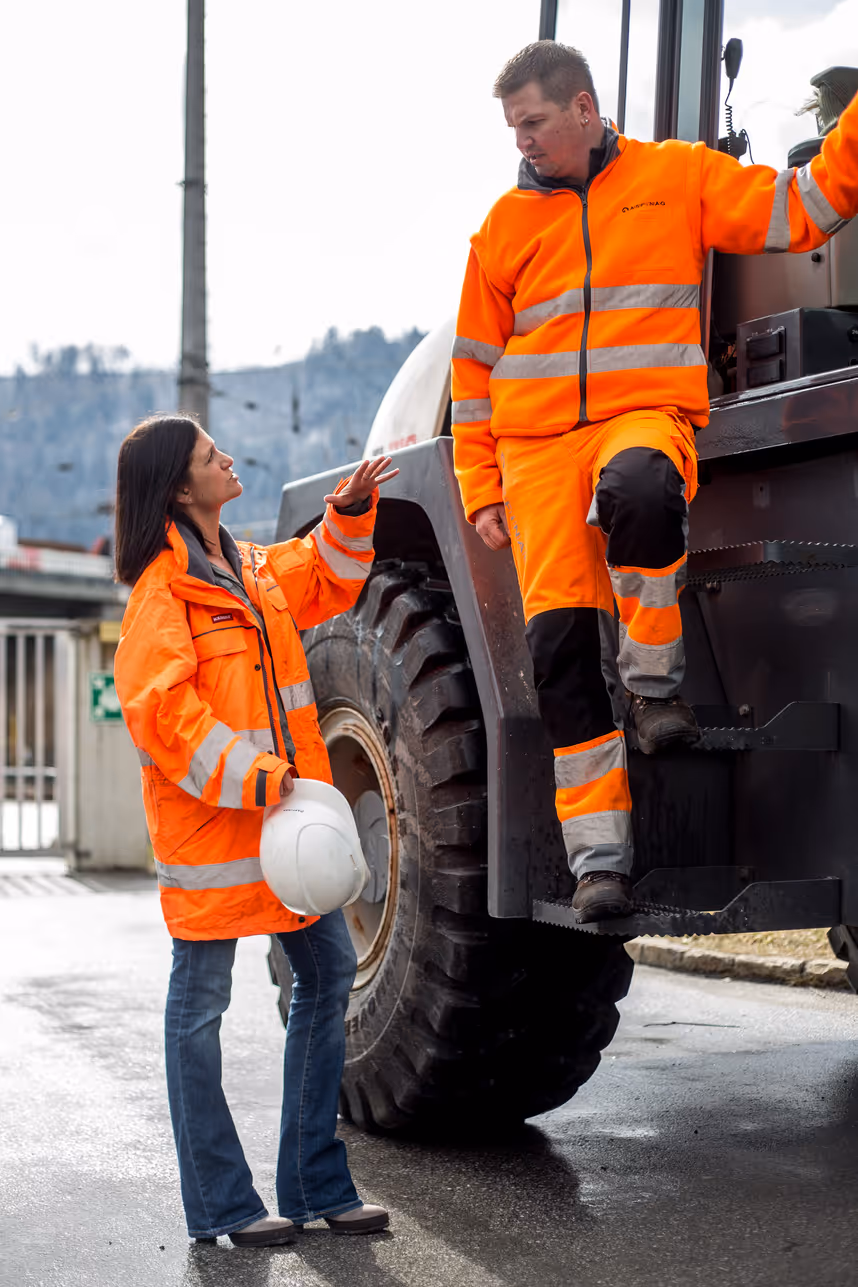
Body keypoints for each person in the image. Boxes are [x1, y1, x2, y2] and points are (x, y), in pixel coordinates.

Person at [451, 41, 858, 922]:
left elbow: (806, 209)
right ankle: (601, 861)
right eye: (511, 126)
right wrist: (480, 485)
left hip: (641, 418)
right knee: (558, 654)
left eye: (532, 122)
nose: (519, 140)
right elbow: (473, 372)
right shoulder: (501, 231)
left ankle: (651, 685)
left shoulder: (677, 176)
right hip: (534, 455)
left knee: (641, 489)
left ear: (586, 111)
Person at [113, 413, 398, 1246]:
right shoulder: (159, 598)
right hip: (217, 845)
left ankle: (314, 1184)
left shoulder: (250, 568)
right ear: (178, 487)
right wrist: (264, 778)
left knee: (329, 970)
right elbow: (164, 718)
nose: (227, 458)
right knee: (199, 1009)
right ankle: (223, 1206)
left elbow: (326, 576)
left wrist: (346, 513)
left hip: (278, 838)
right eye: (210, 455)